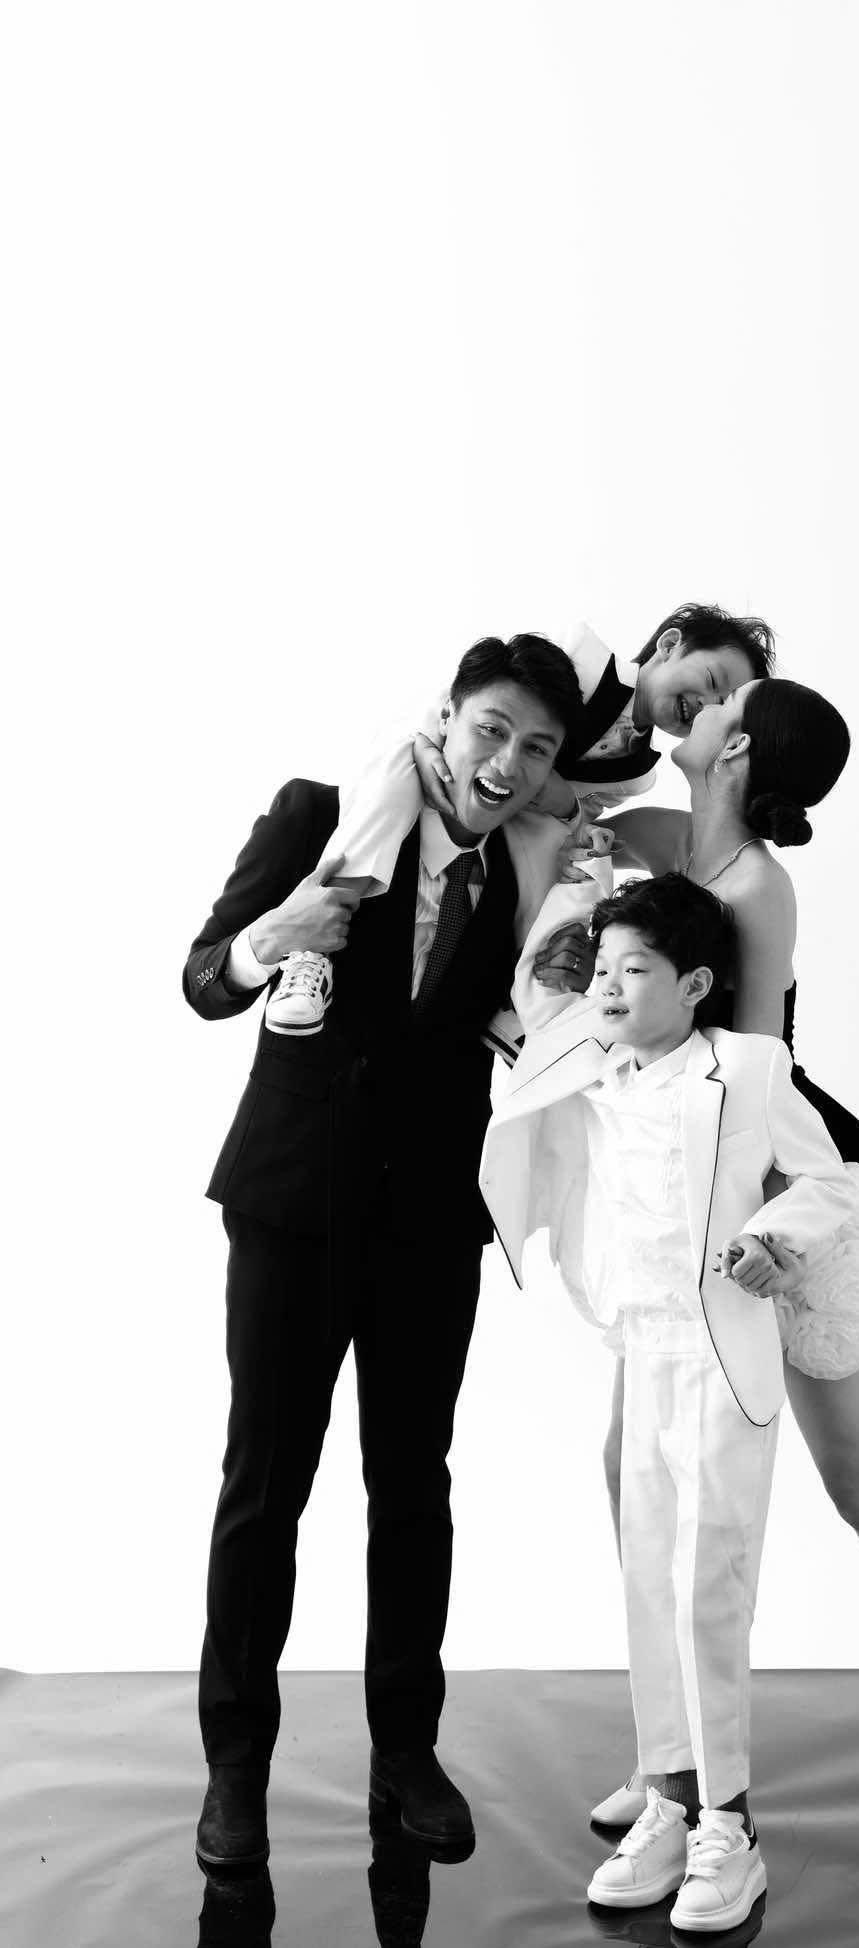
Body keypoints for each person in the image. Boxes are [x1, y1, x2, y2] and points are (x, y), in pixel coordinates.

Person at [523, 677, 859, 1915]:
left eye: (712, 697)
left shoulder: (755, 883)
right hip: (679, 1215)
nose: (685, 706)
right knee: (634, 1476)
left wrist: (772, 1234)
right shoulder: (660, 840)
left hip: (761, 1193)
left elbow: (750, 1077)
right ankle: (678, 1770)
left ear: (739, 741)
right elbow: (560, 819)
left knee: (858, 1482)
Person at [182, 632, 581, 1874]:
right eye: (491, 728)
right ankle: (235, 1764)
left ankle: (406, 1748)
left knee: (413, 1488)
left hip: (429, 1220)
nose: (507, 762)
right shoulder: (323, 814)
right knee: (265, 1484)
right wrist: (273, 935)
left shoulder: (534, 874)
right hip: (291, 1203)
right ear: (444, 717)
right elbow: (202, 980)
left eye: (537, 748)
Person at [479, 873, 855, 1932]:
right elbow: (531, 988)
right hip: (640, 1350)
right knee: (649, 1579)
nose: (607, 987)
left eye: (634, 969)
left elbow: (830, 1181)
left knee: (707, 1588)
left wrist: (774, 1239)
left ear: (694, 984)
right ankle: (670, 1798)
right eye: (602, 970)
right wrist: (579, 896)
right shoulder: (582, 1063)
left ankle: (731, 1828)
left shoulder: (746, 1067)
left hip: (721, 1354)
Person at [264, 605, 775, 1039]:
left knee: (574, 870)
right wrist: (424, 743)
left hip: (521, 815)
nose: (705, 705)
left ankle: (522, 1001)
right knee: (390, 783)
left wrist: (571, 817)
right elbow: (468, 700)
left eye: (721, 704)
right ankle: (313, 949)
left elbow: (580, 814)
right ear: (669, 645)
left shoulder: (639, 774)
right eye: (712, 682)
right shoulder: (582, 656)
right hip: (437, 761)